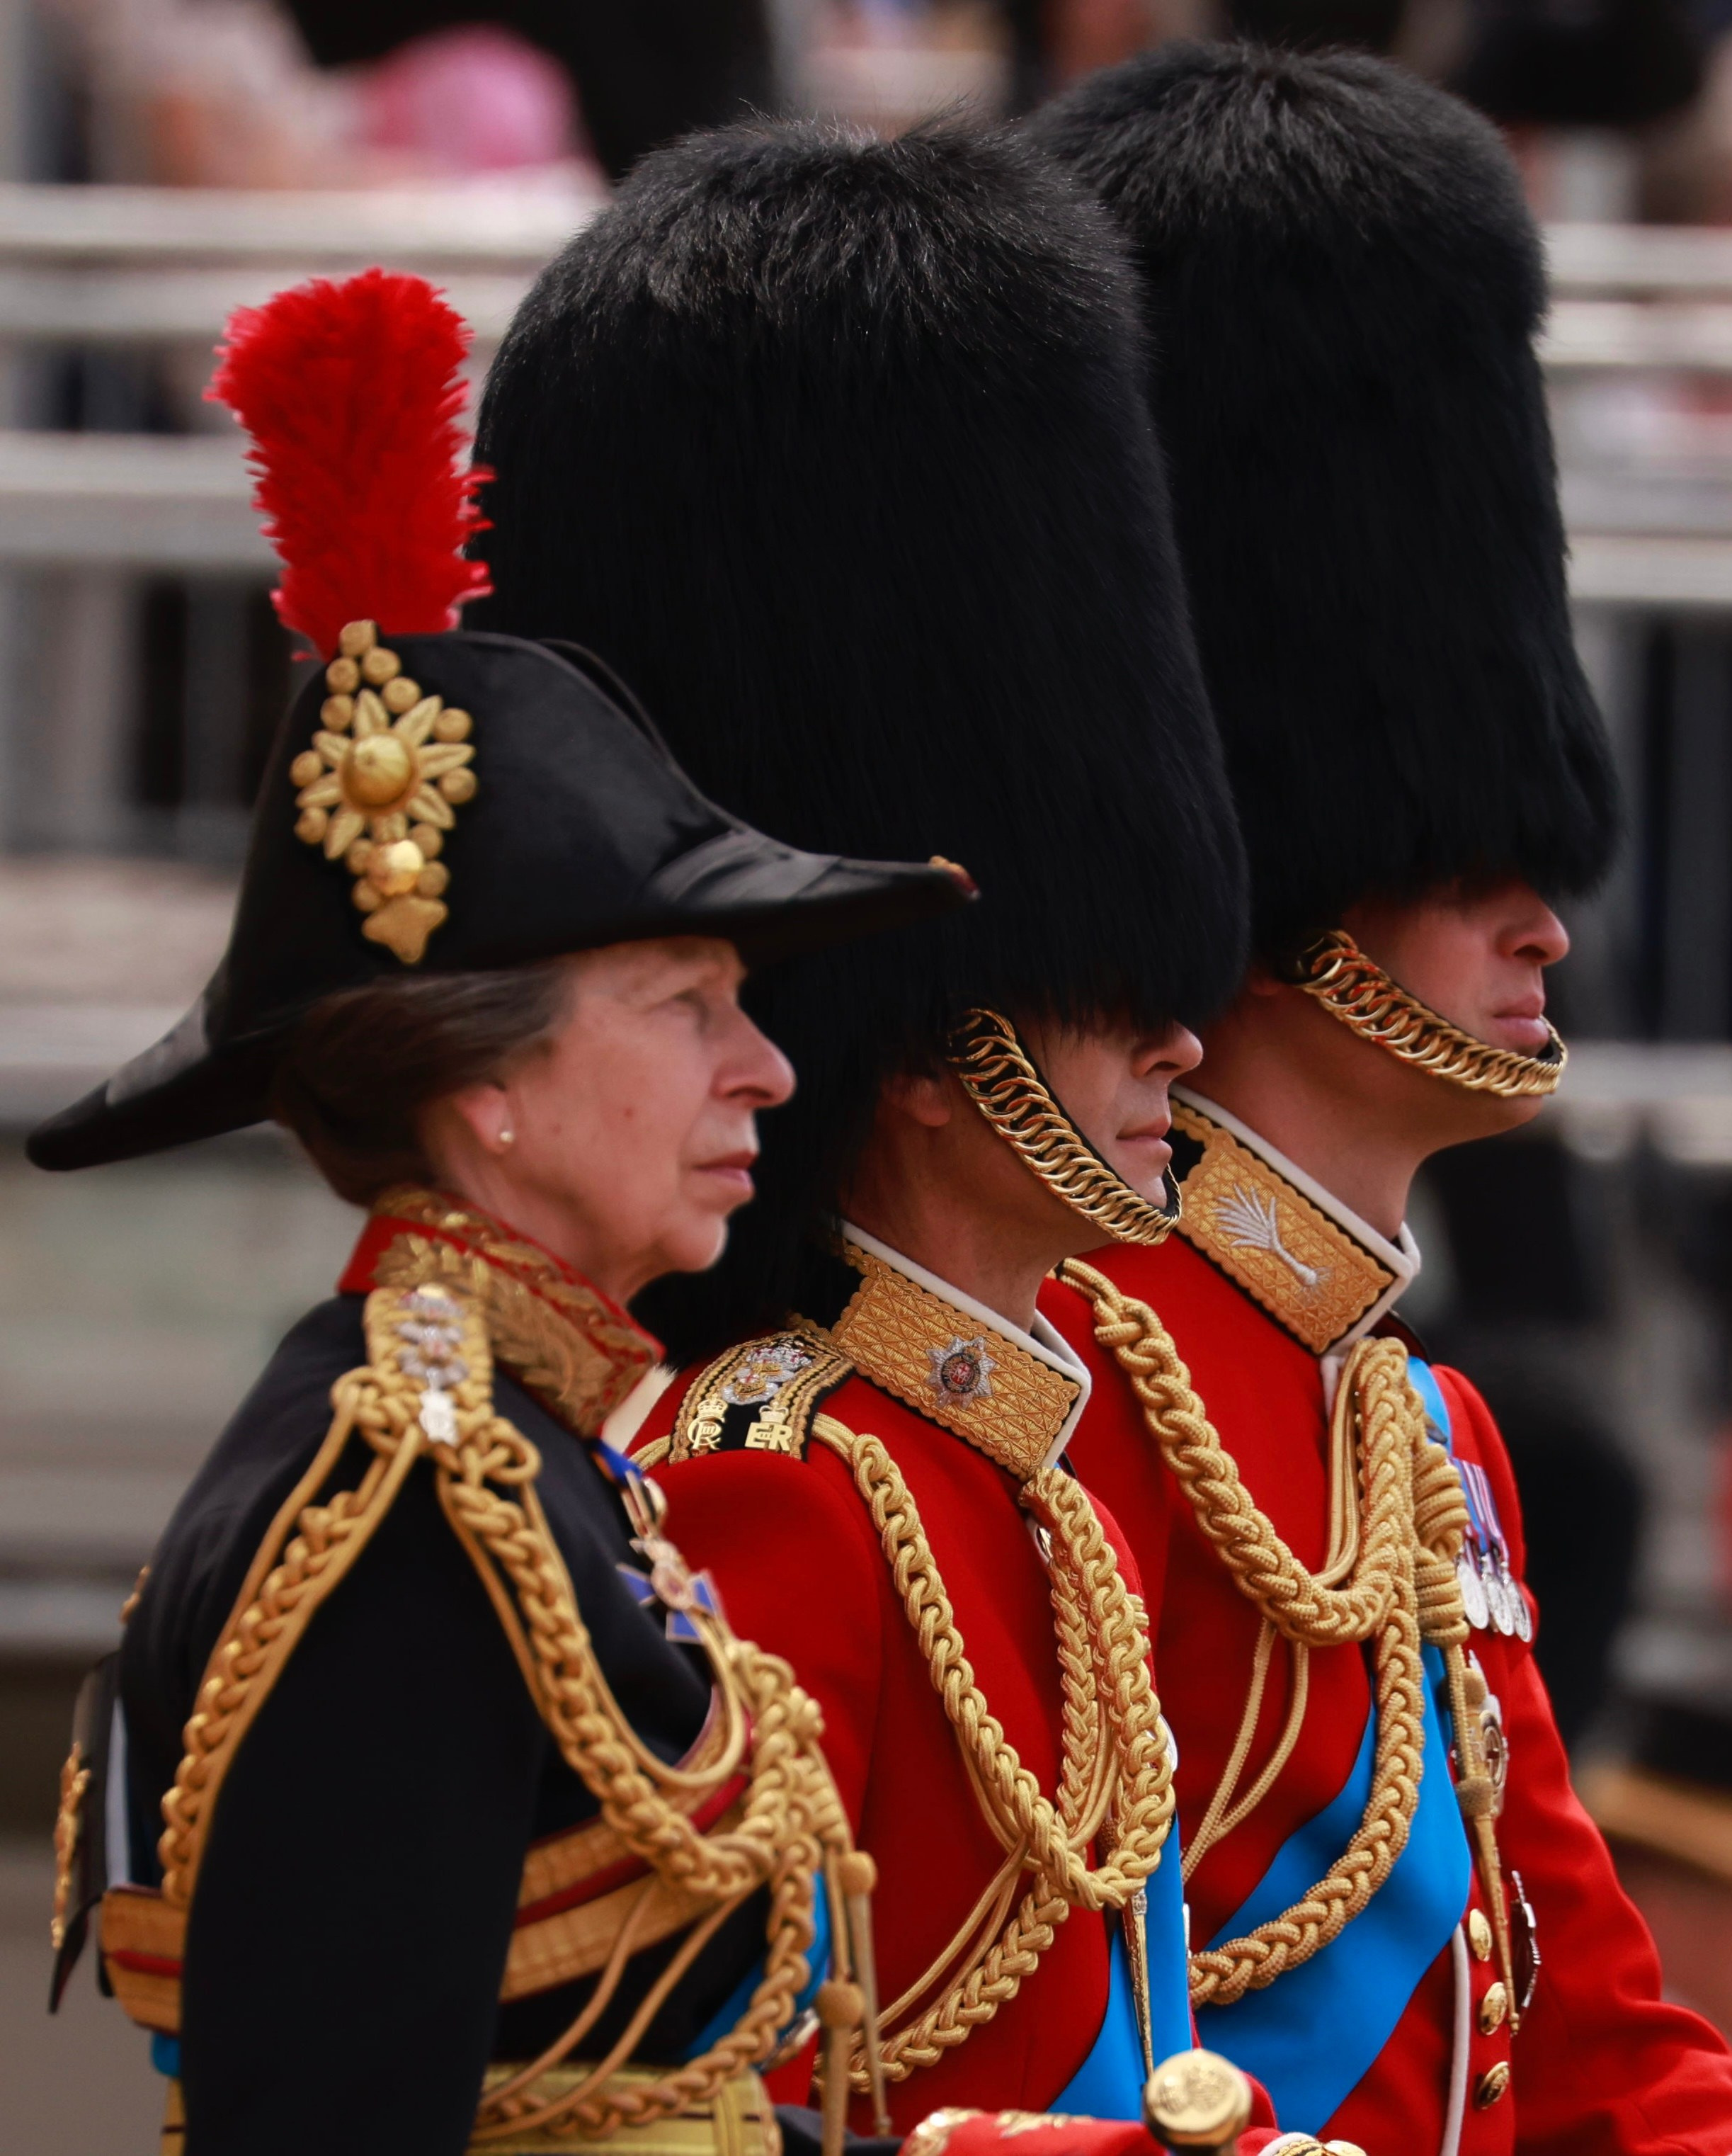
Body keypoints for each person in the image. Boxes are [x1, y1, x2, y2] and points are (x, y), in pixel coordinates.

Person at [32, 268, 972, 2156]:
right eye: (688, 1006)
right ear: (488, 1087)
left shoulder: (518, 1452)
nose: (767, 1071)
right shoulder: (410, 1495)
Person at [472, 120, 1265, 2143]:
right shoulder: (779, 1497)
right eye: (1101, 968)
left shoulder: (1041, 1482)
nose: (1183, 1026)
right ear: (918, 1038)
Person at [1027, 42, 1732, 2156]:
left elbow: (1597, 2043)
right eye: (1460, 838)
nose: (1545, 909)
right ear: (1291, 847)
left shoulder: (1420, 1438)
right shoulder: (1054, 1395)